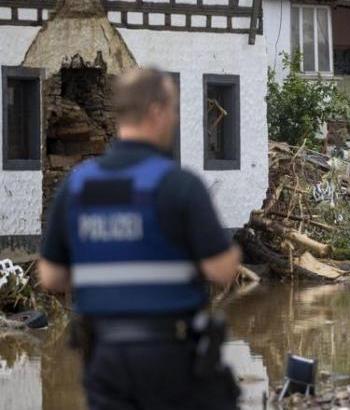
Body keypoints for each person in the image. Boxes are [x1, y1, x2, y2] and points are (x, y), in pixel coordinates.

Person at [39, 68, 241, 410]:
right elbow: (222, 270)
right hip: (170, 359)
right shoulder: (178, 185)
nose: (175, 119)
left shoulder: (78, 186)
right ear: (156, 111)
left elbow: (50, 277)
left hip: (105, 358)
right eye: (174, 109)